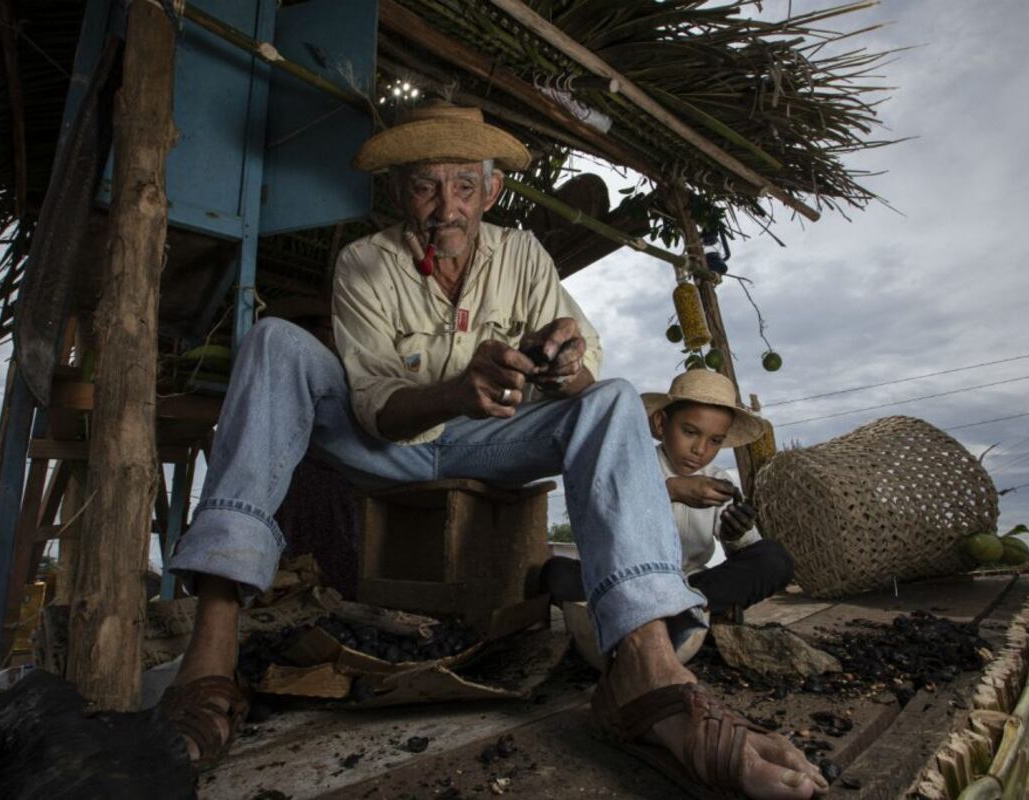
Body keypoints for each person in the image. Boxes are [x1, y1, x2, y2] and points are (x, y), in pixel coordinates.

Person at [162, 101, 827, 799]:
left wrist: (567, 366)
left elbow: (584, 364)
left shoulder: (523, 255)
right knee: (275, 342)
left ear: (492, 191)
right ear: (398, 192)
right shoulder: (366, 262)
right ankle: (210, 654)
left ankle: (649, 670)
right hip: (384, 444)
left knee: (610, 398)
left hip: (494, 444)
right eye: (425, 186)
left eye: (463, 186)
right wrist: (456, 390)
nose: (445, 207)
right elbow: (374, 408)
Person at [541, 370, 794, 624]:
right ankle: (690, 620)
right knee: (556, 572)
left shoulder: (719, 482)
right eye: (690, 432)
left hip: (690, 586)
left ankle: (668, 619)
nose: (700, 449)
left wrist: (734, 533)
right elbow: (603, 522)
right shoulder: (630, 464)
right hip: (624, 583)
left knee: (774, 559)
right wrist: (670, 491)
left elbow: (749, 552)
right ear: (661, 424)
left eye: (715, 440)